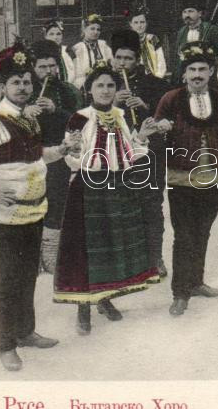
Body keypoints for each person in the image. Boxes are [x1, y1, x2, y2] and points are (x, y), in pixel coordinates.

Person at [0, 41, 79, 371]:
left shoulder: (29, 118)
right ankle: (5, 345)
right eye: (15, 82)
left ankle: (25, 332)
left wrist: (61, 150)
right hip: (4, 220)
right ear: (4, 86)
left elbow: (35, 156)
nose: (22, 87)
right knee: (7, 283)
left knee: (27, 278)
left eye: (26, 81)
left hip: (33, 212)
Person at [53, 61, 161, 335]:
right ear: (89, 89)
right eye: (99, 85)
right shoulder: (79, 118)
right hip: (88, 188)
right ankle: (83, 309)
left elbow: (130, 154)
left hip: (118, 187)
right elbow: (71, 158)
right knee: (87, 249)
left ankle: (104, 299)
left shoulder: (121, 115)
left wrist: (142, 137)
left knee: (111, 246)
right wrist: (77, 153)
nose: (105, 90)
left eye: (110, 85)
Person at [154, 41, 218, 316]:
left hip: (213, 175)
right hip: (182, 177)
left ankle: (196, 282)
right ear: (184, 74)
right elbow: (157, 129)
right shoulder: (171, 99)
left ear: (211, 72)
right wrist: (160, 128)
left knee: (203, 231)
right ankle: (180, 293)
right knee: (184, 235)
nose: (197, 75)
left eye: (202, 69)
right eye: (192, 70)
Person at [108, 29, 171, 279]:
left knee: (152, 203)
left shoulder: (155, 84)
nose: (123, 63)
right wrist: (114, 103)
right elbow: (90, 115)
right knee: (121, 205)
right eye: (119, 58)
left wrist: (144, 106)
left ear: (138, 60)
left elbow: (167, 116)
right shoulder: (103, 82)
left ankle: (155, 257)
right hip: (116, 152)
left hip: (150, 153)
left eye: (128, 58)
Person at [29, 39, 83, 273]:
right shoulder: (26, 89)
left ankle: (51, 252)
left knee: (56, 201)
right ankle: (32, 254)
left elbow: (79, 121)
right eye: (42, 67)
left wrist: (56, 110)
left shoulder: (68, 90)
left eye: (52, 65)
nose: (48, 71)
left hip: (60, 154)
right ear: (34, 68)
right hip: (31, 155)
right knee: (31, 201)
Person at [173, 0, 218, 84]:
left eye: (191, 11)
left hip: (209, 77)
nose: (187, 15)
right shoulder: (181, 32)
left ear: (199, 13)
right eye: (184, 12)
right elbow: (179, 58)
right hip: (186, 78)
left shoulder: (212, 30)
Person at [72, 13, 113, 90]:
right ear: (84, 29)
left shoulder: (103, 45)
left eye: (98, 29)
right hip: (83, 84)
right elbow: (76, 74)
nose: (96, 32)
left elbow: (112, 62)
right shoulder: (78, 48)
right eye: (92, 29)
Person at [126, 4, 167, 80]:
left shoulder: (152, 39)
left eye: (142, 22)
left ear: (146, 23)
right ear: (130, 24)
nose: (139, 26)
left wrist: (157, 78)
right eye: (136, 22)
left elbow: (161, 62)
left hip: (154, 78)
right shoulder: (126, 41)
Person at [42, 20, 76, 86]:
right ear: (46, 36)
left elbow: (76, 72)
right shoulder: (42, 53)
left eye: (58, 34)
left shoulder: (68, 51)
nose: (55, 37)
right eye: (51, 34)